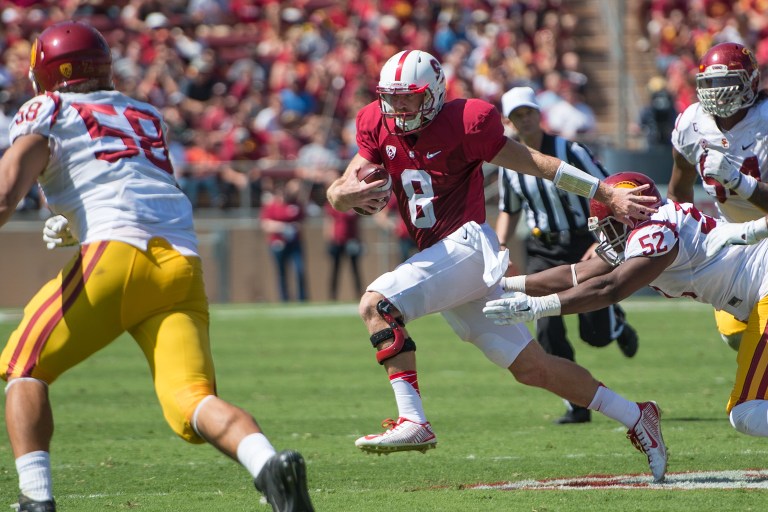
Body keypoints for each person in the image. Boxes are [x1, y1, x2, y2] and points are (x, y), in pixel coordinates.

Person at [0, 22, 314, 512]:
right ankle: (269, 464)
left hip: (118, 256)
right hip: (180, 265)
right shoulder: (141, 112)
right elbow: (124, 174)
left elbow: (8, 187)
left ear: (47, 74)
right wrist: (73, 219)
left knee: (23, 368)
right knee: (190, 402)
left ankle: (34, 500)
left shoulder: (48, 108)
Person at [325, 49, 666, 482]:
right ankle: (638, 416)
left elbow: (541, 165)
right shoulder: (375, 121)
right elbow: (341, 188)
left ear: (431, 96)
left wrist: (605, 192)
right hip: (442, 258)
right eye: (390, 98)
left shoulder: (466, 123)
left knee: (377, 303)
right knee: (533, 368)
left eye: (407, 98)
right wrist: (346, 196)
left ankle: (413, 420)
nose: (397, 108)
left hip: (466, 246)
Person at [483, 171, 768, 443]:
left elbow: (611, 288)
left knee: (747, 413)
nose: (604, 235)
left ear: (629, 214)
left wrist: (537, 307)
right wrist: (507, 284)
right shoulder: (651, 226)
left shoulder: (655, 232)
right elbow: (575, 273)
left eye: (608, 223)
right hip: (754, 296)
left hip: (763, 288)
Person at [496, 86, 639, 425]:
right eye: (517, 115)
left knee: (596, 335)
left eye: (529, 112)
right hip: (543, 248)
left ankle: (616, 325)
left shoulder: (569, 150)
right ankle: (577, 404)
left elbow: (610, 189)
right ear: (509, 121)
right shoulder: (508, 163)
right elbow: (509, 208)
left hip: (582, 241)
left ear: (538, 113)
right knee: (547, 330)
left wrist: (601, 238)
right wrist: (500, 245)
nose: (525, 119)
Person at [667, 41, 768, 352]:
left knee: (762, 336)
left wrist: (738, 181)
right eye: (711, 83)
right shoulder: (691, 124)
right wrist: (681, 235)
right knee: (735, 335)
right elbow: (679, 186)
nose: (718, 91)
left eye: (728, 82)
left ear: (751, 83)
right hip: (735, 239)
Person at [260, 178, 309, 302]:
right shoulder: (271, 206)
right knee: (281, 273)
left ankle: (302, 298)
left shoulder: (295, 205)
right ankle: (284, 299)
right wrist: (283, 227)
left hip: (294, 243)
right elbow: (265, 224)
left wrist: (294, 227)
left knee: (299, 270)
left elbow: (302, 221)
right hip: (278, 244)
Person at [324, 201, 364, 300]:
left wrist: (360, 240)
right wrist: (329, 239)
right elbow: (329, 222)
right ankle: (332, 296)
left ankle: (359, 294)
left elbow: (358, 224)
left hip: (351, 241)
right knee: (335, 270)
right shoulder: (334, 204)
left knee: (355, 270)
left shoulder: (355, 205)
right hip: (337, 241)